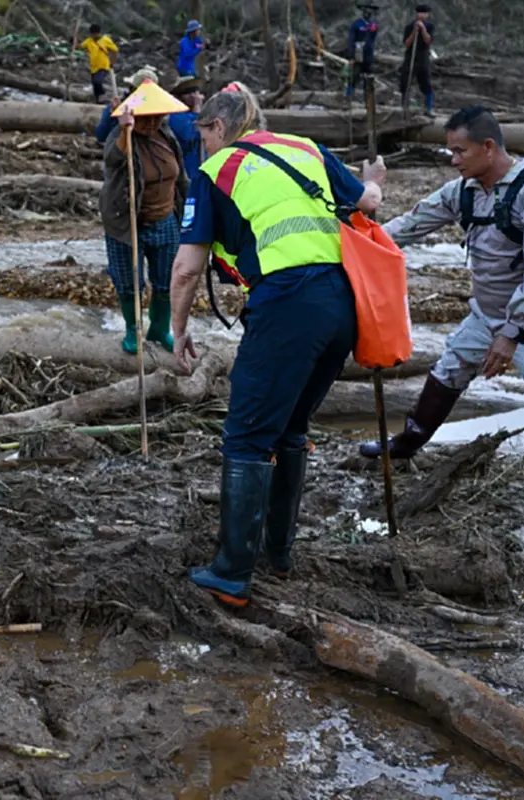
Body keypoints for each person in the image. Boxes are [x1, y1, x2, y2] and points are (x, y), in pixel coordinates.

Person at [358, 105, 524, 565]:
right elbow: (411, 224)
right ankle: (406, 445)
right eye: (449, 150)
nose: (452, 159)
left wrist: (511, 335)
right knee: (446, 374)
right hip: (484, 317)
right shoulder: (464, 191)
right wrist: (362, 241)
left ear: (488, 147)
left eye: (459, 150)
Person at [170, 86, 386, 607]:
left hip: (287, 304)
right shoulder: (304, 147)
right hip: (341, 305)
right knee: (289, 426)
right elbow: (368, 202)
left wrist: (178, 331)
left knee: (245, 438)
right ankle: (278, 553)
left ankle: (231, 573)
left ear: (217, 129)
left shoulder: (215, 170)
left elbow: (185, 268)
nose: (199, 147)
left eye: (200, 136)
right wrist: (374, 179)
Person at [99, 104, 189, 355]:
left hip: (166, 219)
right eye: (145, 119)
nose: (150, 124)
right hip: (127, 223)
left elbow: (180, 176)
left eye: (156, 118)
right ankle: (132, 329)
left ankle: (160, 329)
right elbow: (112, 159)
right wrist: (124, 130)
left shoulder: (167, 136)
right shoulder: (121, 136)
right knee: (129, 282)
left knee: (166, 280)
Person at [94, 66, 160, 145]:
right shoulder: (119, 108)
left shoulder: (158, 110)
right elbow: (101, 135)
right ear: (132, 90)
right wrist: (114, 116)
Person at [167, 75, 207, 179]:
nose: (193, 97)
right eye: (188, 93)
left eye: (195, 92)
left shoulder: (203, 115)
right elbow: (191, 134)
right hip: (187, 170)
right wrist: (197, 109)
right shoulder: (176, 117)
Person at [400, 4, 435, 116]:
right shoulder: (409, 27)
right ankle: (404, 107)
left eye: (425, 13)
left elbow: (428, 41)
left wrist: (423, 29)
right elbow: (407, 43)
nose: (422, 15)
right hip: (411, 57)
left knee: (426, 83)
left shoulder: (430, 26)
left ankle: (429, 108)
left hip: (423, 57)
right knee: (405, 81)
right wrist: (414, 31)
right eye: (421, 13)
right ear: (417, 14)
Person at [345, 3, 380, 99]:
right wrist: (351, 57)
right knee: (353, 77)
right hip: (358, 55)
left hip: (369, 55)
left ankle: (368, 100)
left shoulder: (374, 25)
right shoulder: (356, 24)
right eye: (366, 10)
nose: (368, 12)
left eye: (370, 10)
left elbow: (373, 39)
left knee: (369, 79)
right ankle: (347, 97)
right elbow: (351, 41)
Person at [79, 24, 119, 104]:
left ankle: (104, 97)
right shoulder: (89, 40)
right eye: (92, 34)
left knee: (98, 82)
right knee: (95, 85)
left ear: (99, 33)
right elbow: (80, 47)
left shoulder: (106, 40)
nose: (94, 36)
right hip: (93, 67)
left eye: (95, 34)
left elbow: (115, 50)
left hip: (103, 66)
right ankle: (98, 101)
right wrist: (73, 41)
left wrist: (112, 62)